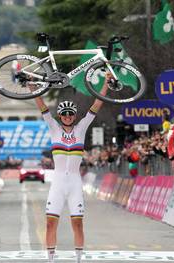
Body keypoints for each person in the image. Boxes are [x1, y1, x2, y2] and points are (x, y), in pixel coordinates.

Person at [32, 73, 111, 263]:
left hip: (75, 183)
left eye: (70, 114)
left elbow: (96, 105)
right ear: (60, 116)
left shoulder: (82, 128)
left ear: (75, 116)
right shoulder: (54, 128)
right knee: (50, 224)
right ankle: (50, 260)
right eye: (64, 114)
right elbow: (42, 107)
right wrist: (32, 89)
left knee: (78, 224)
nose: (67, 116)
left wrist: (106, 84)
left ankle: (79, 260)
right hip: (58, 183)